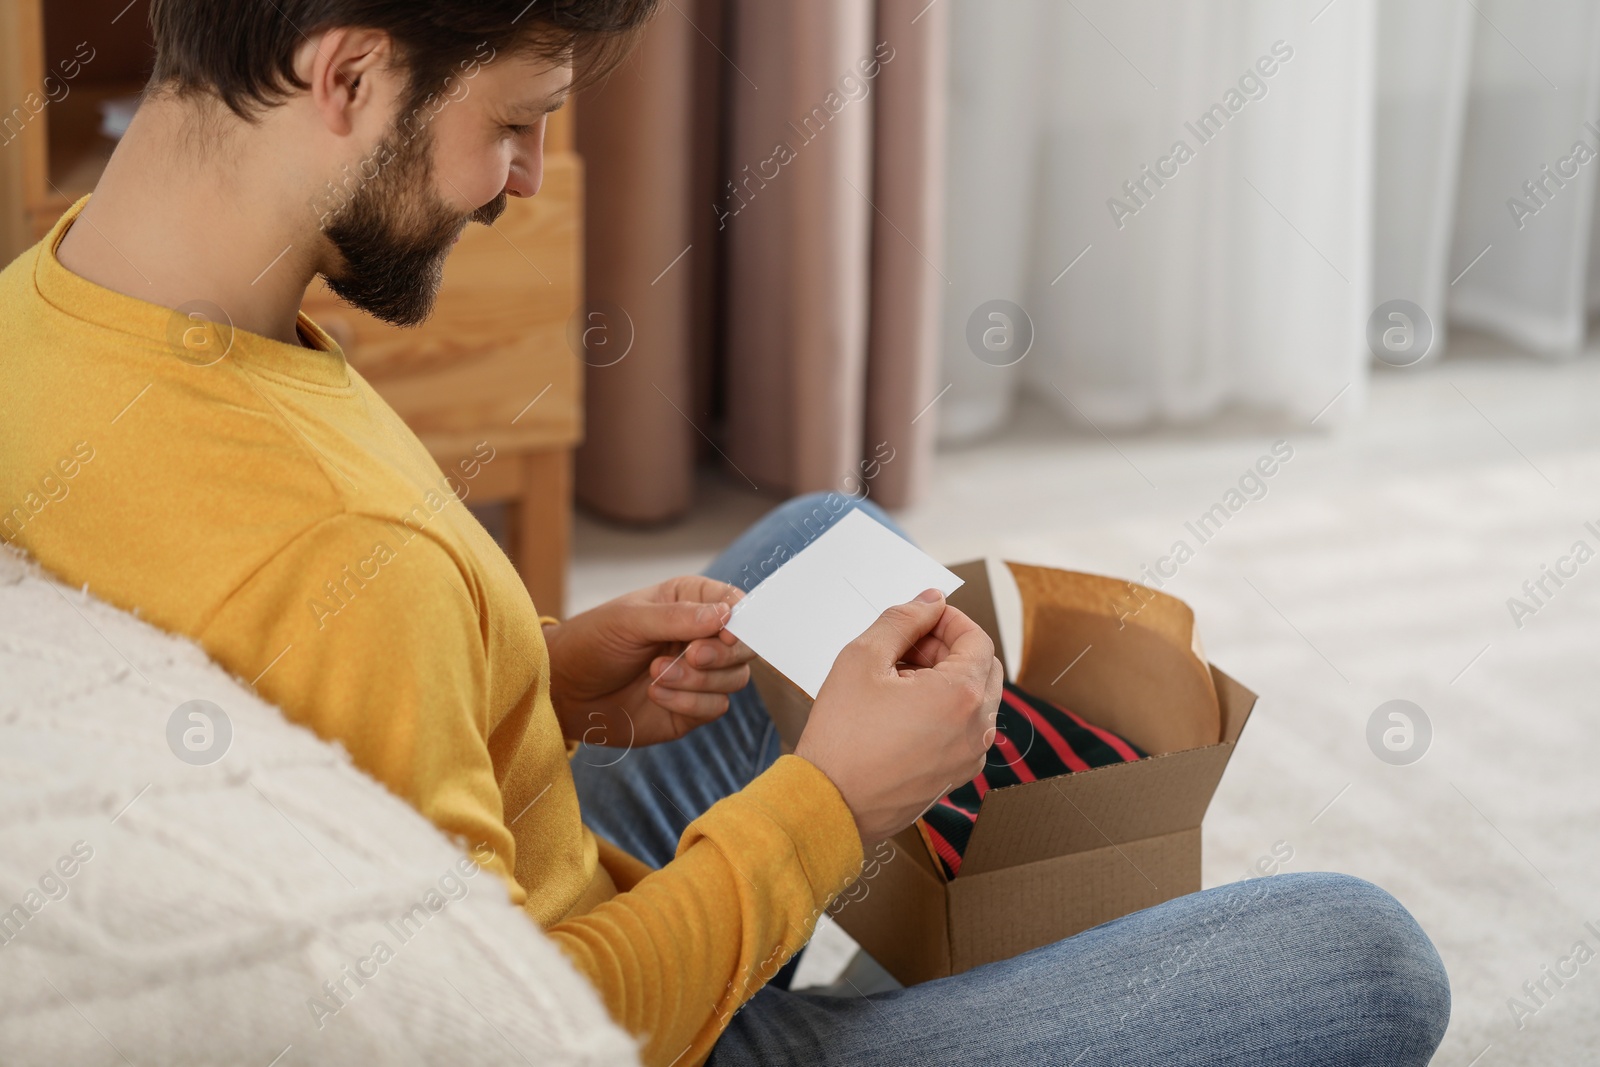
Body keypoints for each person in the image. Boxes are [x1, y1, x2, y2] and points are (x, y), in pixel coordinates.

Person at [0, 2, 1450, 1064]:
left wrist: (546, 680)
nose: (522, 177)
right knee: (1363, 960)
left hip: (529, 853)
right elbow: (529, 1024)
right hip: (617, 1012)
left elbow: (322, 686)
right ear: (351, 69)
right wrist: (831, 811)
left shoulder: (56, 298)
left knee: (830, 540)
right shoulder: (333, 548)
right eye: (510, 121)